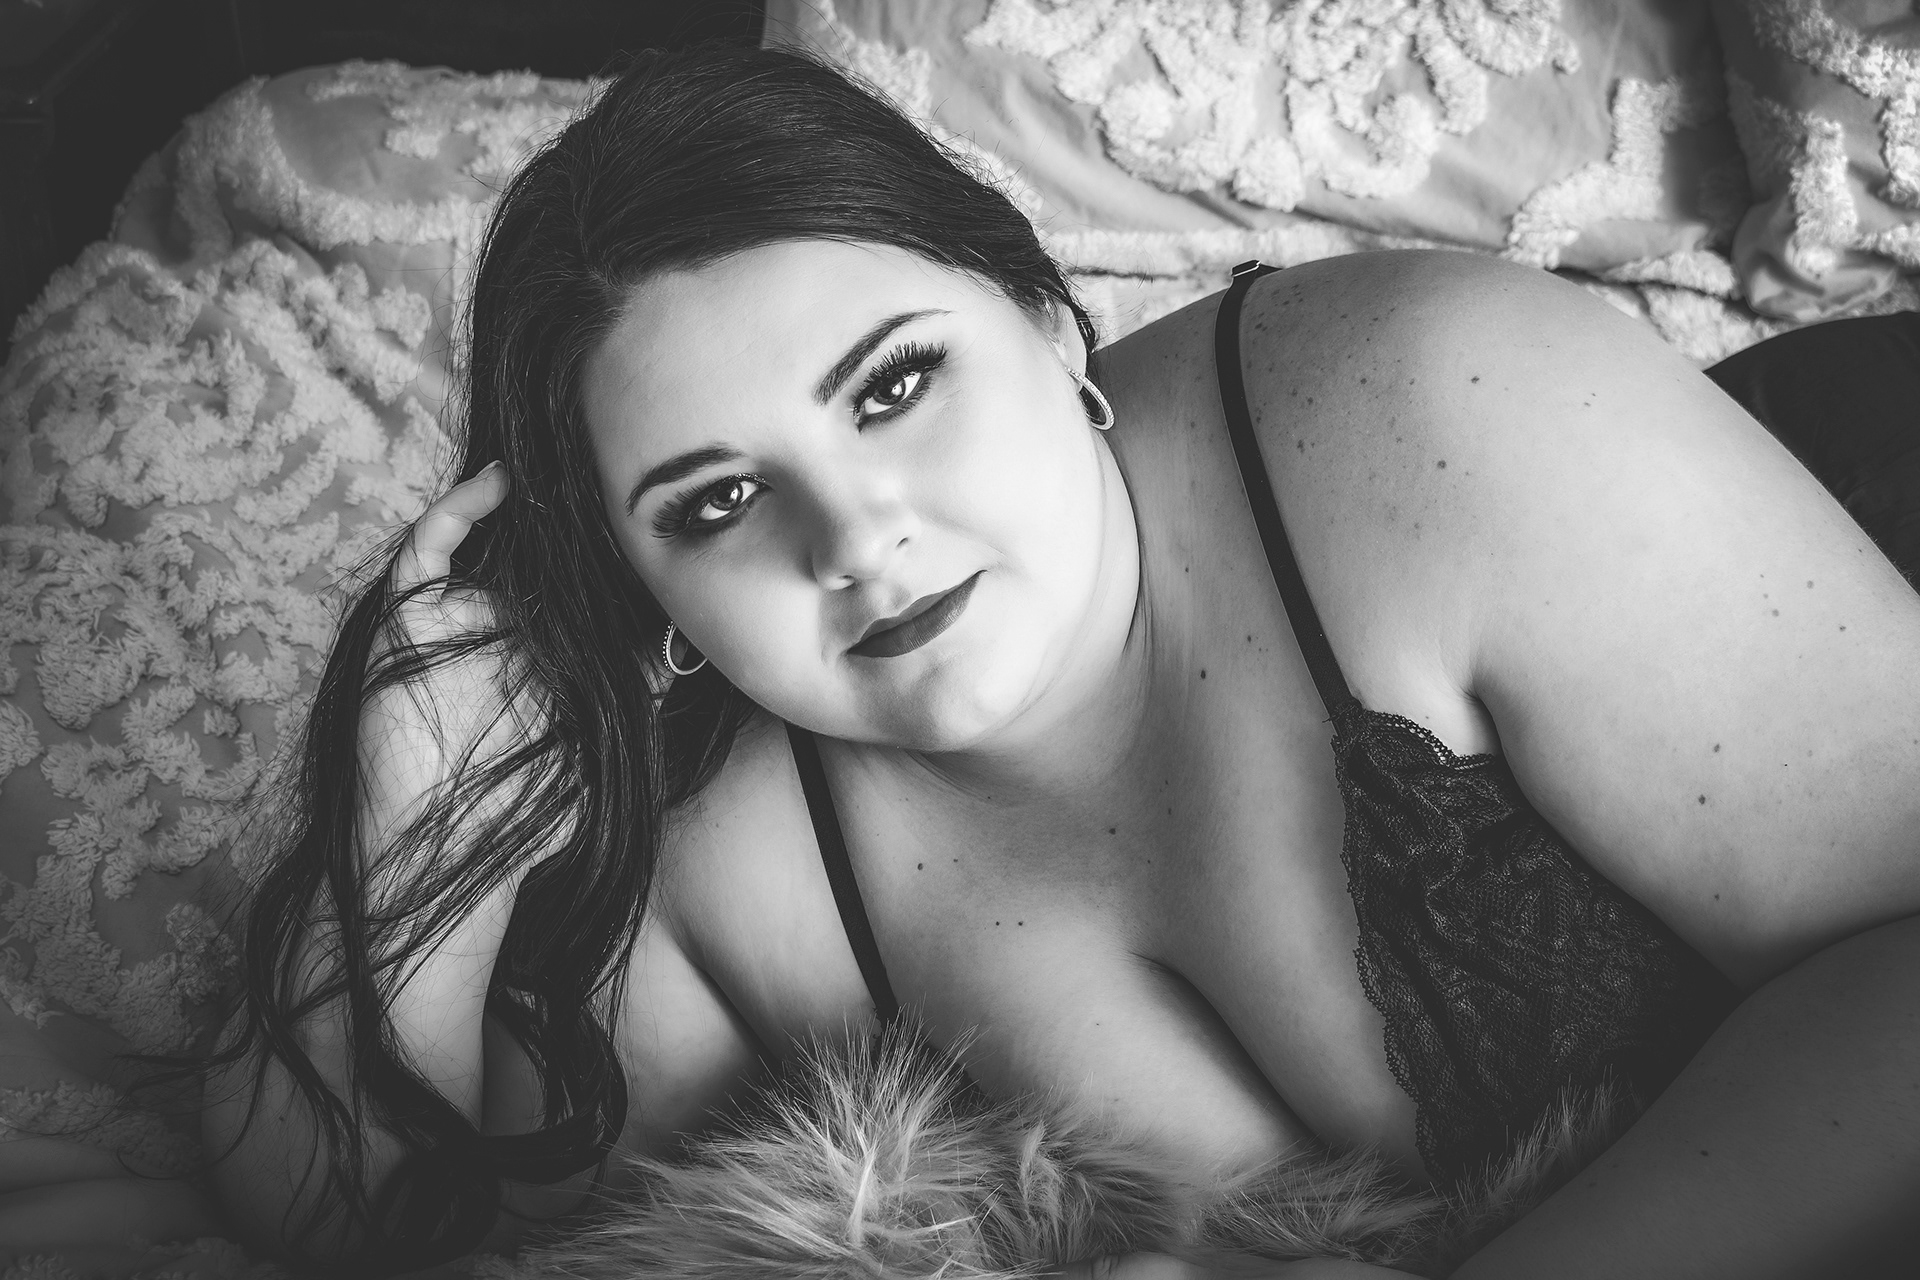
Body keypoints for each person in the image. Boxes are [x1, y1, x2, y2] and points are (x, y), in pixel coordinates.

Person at [199, 40, 1920, 1278]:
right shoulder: (725, 878)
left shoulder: (1434, 399)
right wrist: (413, 800)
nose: (856, 537)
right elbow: (350, 1222)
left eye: (895, 386)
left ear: (1043, 319)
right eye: (717, 503)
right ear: (646, 593)